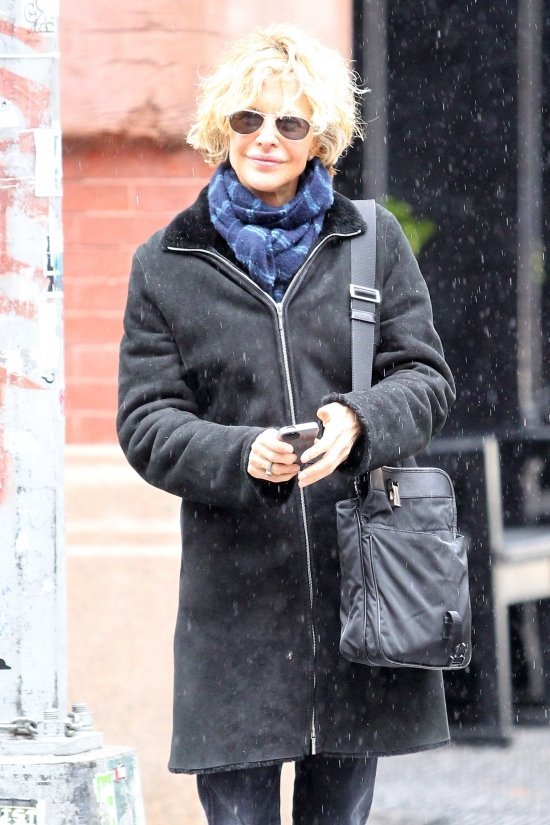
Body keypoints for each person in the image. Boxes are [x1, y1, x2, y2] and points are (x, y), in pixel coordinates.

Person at [117, 23, 456, 825]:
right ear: (222, 126)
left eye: (290, 122)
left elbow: (426, 379)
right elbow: (147, 421)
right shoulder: (165, 263)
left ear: (319, 139)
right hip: (233, 610)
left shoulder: (371, 242)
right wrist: (243, 453)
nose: (266, 137)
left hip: (357, 599)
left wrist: (357, 419)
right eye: (248, 118)